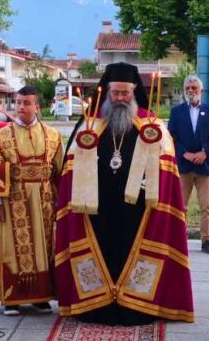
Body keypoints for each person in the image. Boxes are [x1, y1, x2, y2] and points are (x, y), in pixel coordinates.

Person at [54, 61, 194, 324]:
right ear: (107, 92)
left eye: (125, 93)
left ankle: (137, 304)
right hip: (98, 208)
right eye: (115, 93)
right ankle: (95, 304)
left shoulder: (153, 125)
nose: (119, 99)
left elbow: (167, 174)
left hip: (138, 210)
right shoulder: (90, 125)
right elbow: (70, 170)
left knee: (134, 251)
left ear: (134, 92)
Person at [0, 84, 64, 314]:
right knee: (12, 247)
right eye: (18, 103)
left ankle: (41, 296)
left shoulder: (53, 135)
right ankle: (12, 298)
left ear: (37, 106)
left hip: (45, 200)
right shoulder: (2, 135)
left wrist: (60, 203)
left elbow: (60, 171)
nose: (21, 107)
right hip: (14, 199)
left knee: (44, 247)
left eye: (27, 103)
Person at [167, 74, 209, 254]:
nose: (191, 91)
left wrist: (204, 152)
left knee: (206, 206)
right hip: (183, 167)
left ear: (201, 90)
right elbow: (171, 136)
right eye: (188, 88)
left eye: (194, 88)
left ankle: (207, 240)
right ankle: (179, 239)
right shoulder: (176, 112)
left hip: (204, 167)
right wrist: (185, 153)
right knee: (180, 206)